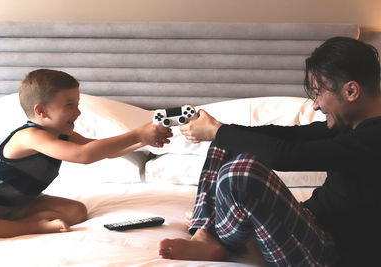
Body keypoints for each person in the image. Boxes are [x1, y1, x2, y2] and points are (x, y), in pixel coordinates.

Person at [158, 37, 381, 266]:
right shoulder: (350, 126)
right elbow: (284, 136)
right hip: (312, 225)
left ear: (351, 91)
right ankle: (205, 235)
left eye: (318, 93)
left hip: (330, 254)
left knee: (242, 173)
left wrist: (218, 131)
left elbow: (286, 155)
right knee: (227, 143)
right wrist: (217, 130)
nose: (315, 105)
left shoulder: (375, 138)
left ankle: (218, 235)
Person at [0, 69, 172, 240]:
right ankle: (31, 226)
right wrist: (137, 133)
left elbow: (102, 151)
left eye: (77, 104)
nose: (78, 112)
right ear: (41, 110)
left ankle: (6, 225)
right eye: (70, 105)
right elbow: (83, 155)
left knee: (75, 211)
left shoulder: (62, 135)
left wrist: (142, 141)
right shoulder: (29, 136)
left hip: (14, 204)